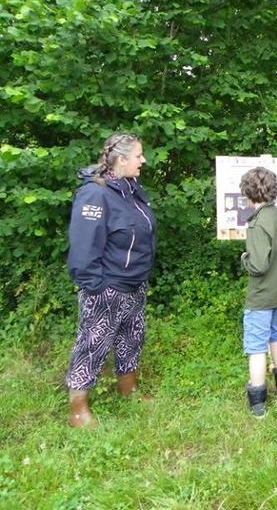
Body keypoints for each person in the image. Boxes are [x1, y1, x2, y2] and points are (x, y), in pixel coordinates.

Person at [65, 133, 156, 427]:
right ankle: (78, 409)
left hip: (134, 282)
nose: (143, 160)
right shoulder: (95, 194)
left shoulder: (130, 188)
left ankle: (127, 390)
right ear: (121, 159)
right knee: (92, 343)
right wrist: (94, 285)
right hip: (106, 286)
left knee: (132, 338)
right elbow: (83, 245)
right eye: (138, 156)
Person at [239, 167, 277, 418]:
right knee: (276, 335)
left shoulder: (258, 223)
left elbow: (259, 264)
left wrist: (244, 259)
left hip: (262, 296)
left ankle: (258, 401)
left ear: (247, 193)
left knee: (255, 346)